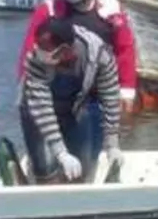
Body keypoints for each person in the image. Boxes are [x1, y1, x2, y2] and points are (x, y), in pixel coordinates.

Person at [17, 0, 138, 115]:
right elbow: (29, 49)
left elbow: (125, 49)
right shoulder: (49, 8)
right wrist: (25, 89)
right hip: (57, 92)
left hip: (97, 95)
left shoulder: (110, 10)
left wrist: (126, 90)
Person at [20, 17, 123, 183]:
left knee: (82, 167)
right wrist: (61, 153)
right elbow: (42, 109)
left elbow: (110, 96)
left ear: (66, 50)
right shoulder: (35, 60)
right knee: (45, 168)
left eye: (45, 48)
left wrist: (112, 143)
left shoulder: (99, 54)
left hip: (75, 107)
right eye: (38, 45)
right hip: (36, 110)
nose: (39, 51)